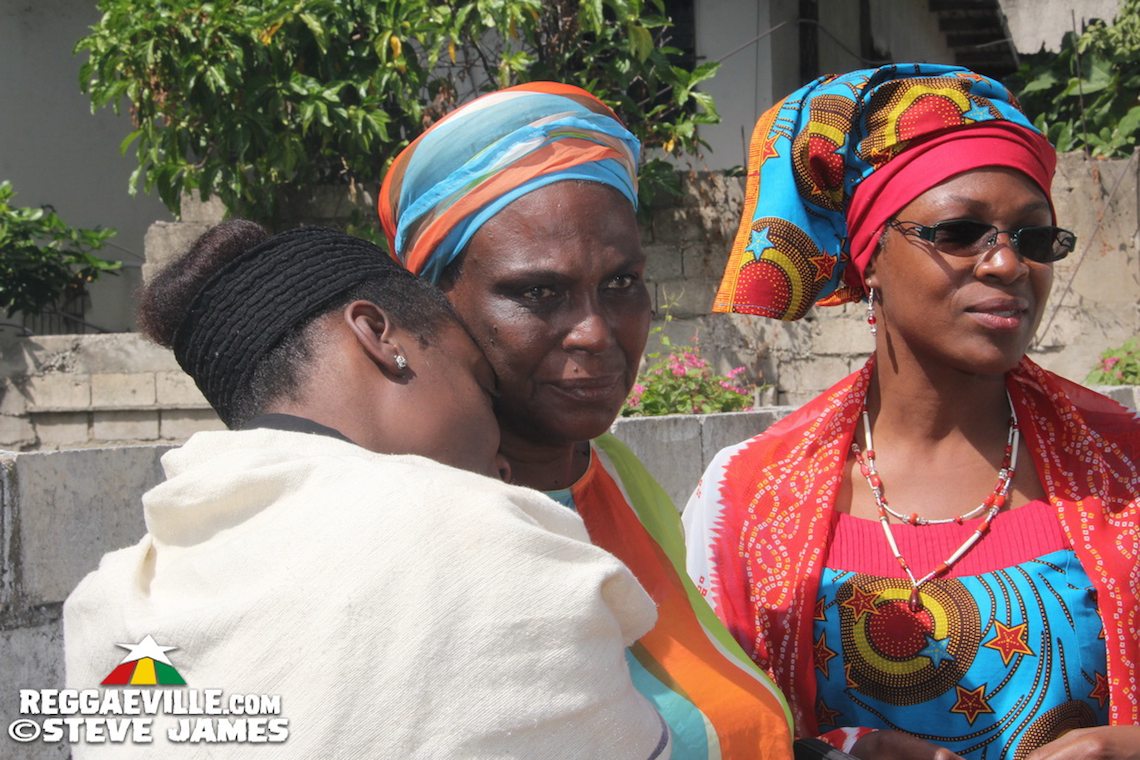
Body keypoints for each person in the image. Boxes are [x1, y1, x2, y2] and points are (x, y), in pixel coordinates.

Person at [63, 222, 671, 759]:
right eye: (483, 386)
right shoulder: (491, 545)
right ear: (381, 337)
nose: (506, 465)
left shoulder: (110, 600)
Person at [682, 63, 1140, 759]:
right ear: (869, 259)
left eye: (1035, 239)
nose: (1006, 265)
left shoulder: (1123, 466)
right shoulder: (748, 495)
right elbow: (705, 733)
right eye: (960, 232)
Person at [378, 82, 795, 758]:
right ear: (435, 307)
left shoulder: (615, 481)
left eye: (621, 284)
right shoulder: (417, 544)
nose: (595, 333)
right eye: (538, 292)